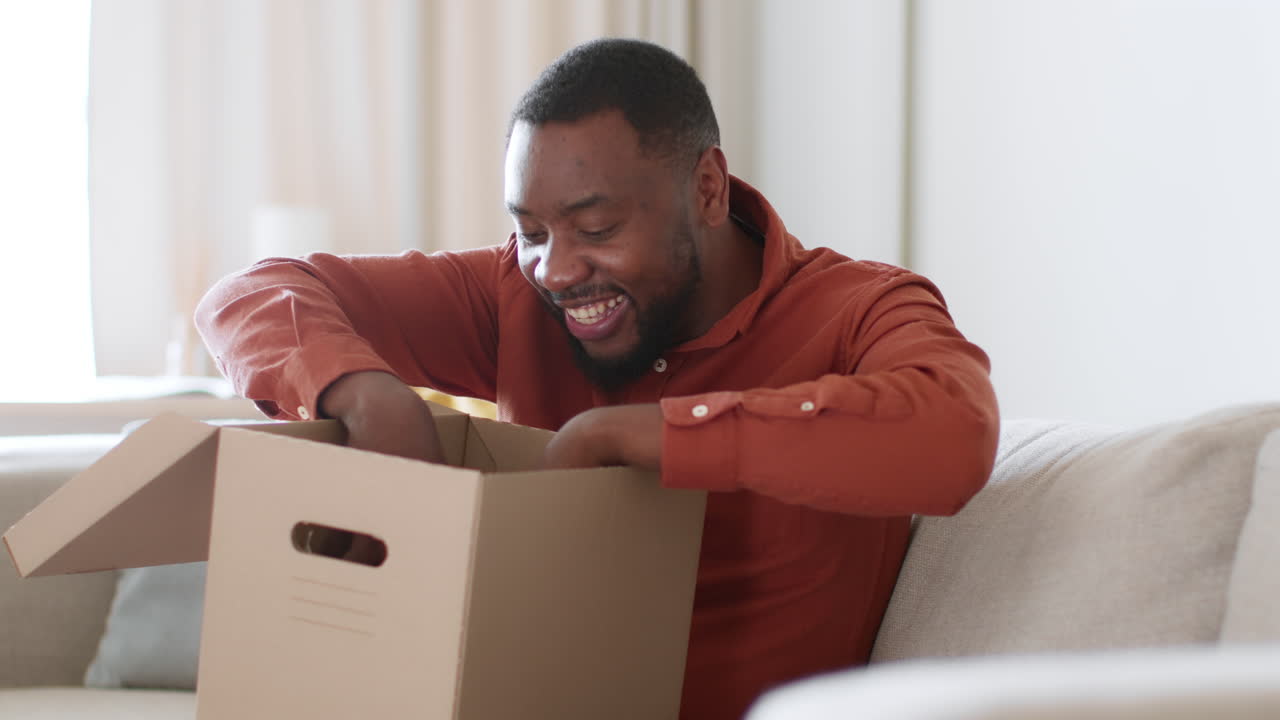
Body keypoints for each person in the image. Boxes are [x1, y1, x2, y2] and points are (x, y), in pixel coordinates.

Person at [196, 38, 999, 720]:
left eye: (597, 227)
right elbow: (248, 295)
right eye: (531, 231)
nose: (556, 269)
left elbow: (955, 432)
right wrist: (368, 397)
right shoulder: (516, 297)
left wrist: (648, 434)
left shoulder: (857, 309)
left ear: (707, 189)